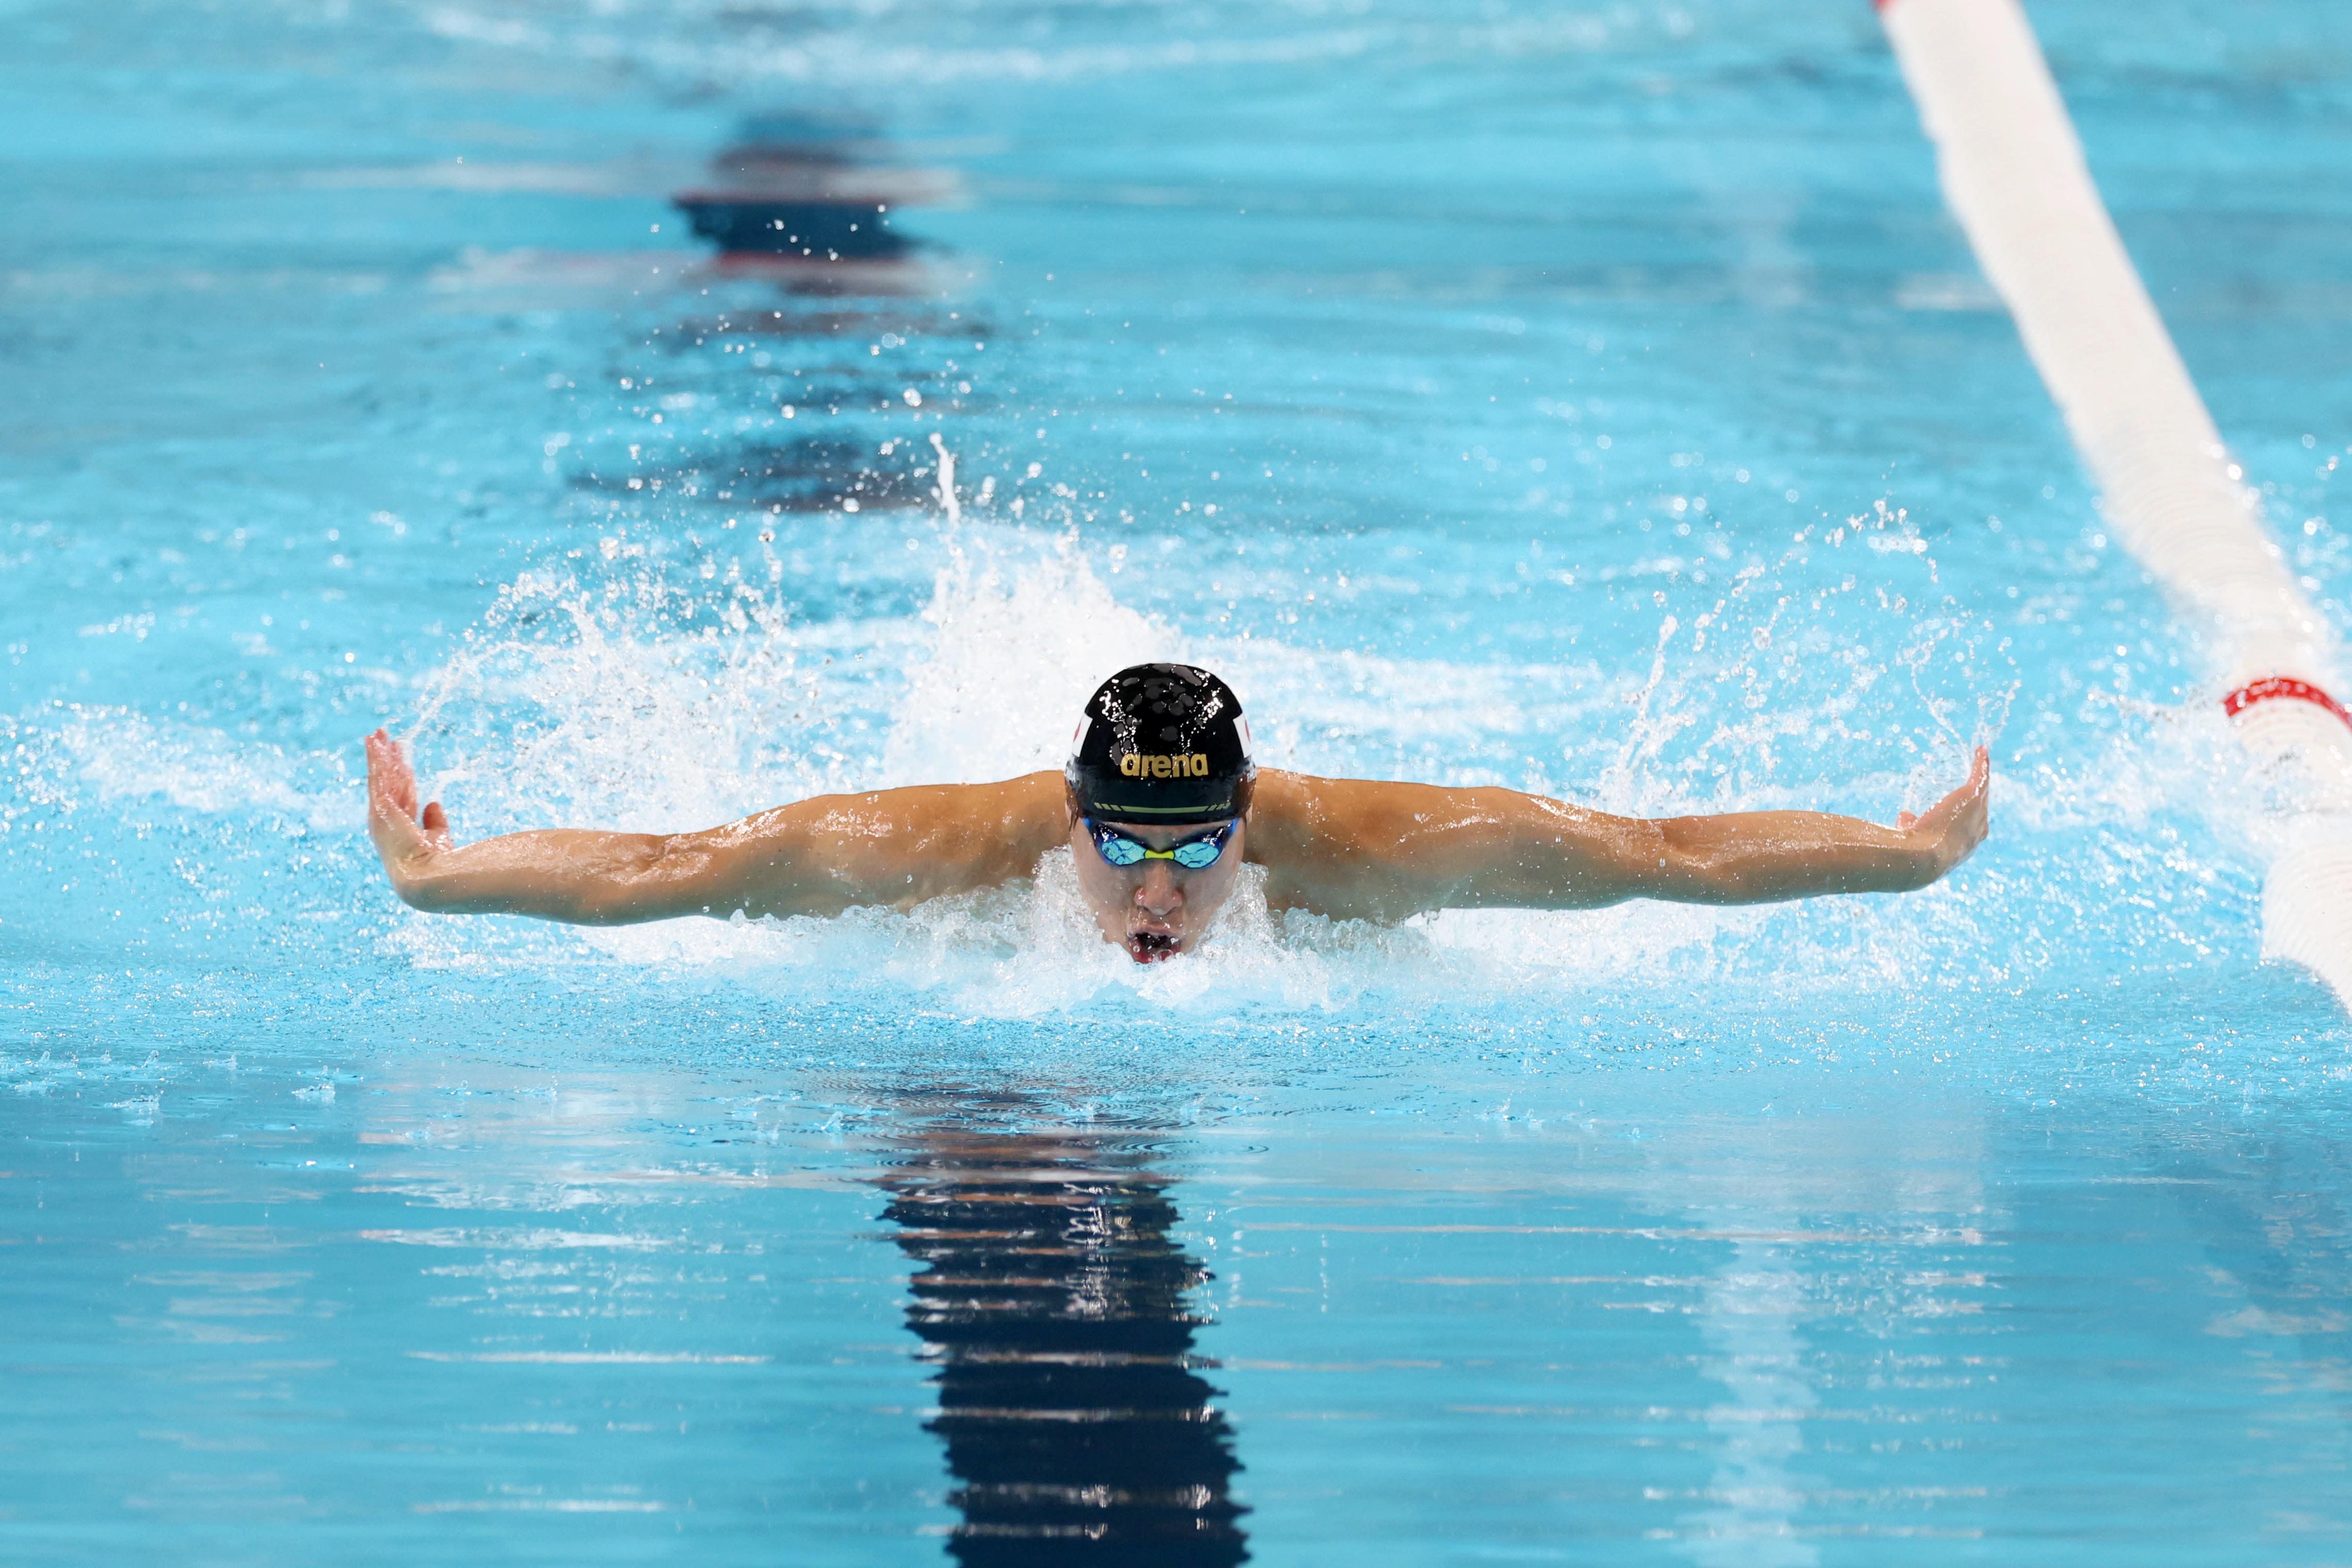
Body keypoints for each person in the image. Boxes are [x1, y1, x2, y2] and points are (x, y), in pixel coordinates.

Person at [365, 662, 1988, 965]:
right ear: (1065, 818)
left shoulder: (1366, 849)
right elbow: (674, 868)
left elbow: (1665, 858)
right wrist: (439, 878)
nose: (1156, 892)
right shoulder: (952, 845)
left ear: (1248, 816)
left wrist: (1906, 855)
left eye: (1194, 847)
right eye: (1121, 847)